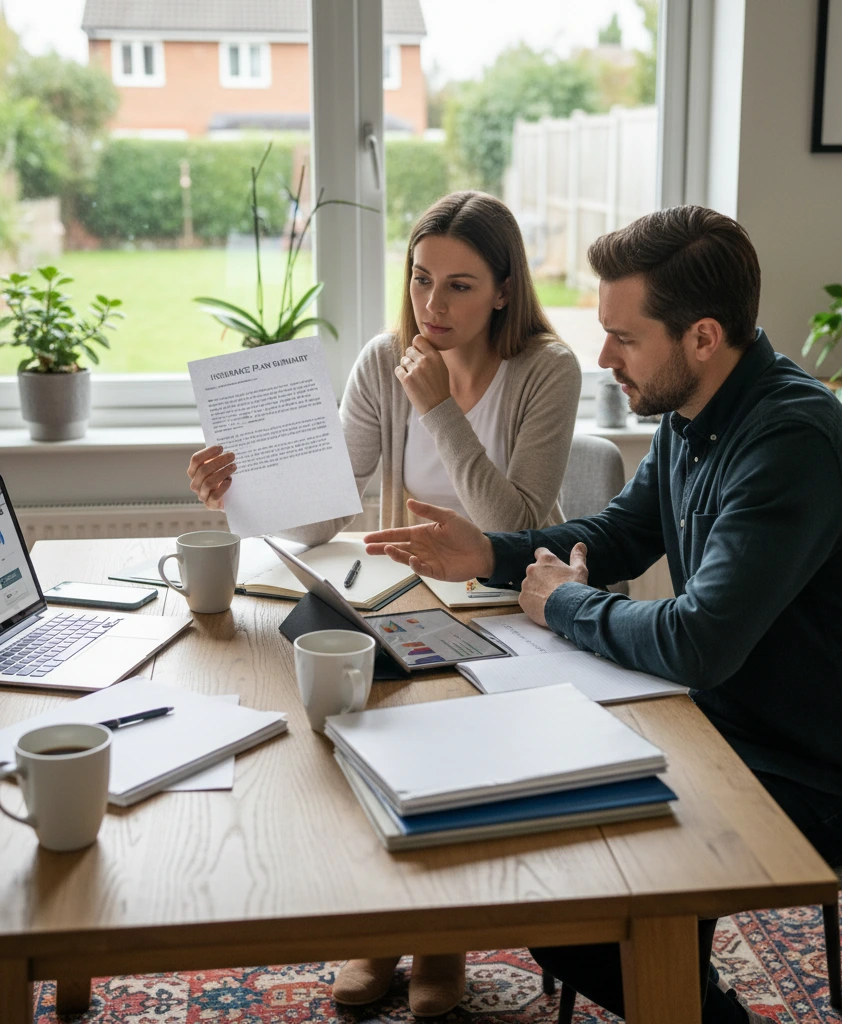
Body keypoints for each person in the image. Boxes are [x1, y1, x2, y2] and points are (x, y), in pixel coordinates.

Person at [362, 205, 842, 1024]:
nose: (603, 357)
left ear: (701, 337)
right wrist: (486, 554)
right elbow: (619, 536)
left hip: (824, 773)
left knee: (564, 896)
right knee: (541, 853)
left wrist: (566, 603)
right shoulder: (696, 413)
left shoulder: (790, 442)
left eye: (625, 338)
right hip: (722, 727)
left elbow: (696, 643)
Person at [187, 190, 582, 1016]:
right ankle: (380, 927)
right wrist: (242, 491)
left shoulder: (547, 369)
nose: (431, 306)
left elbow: (517, 526)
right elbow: (328, 505)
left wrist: (439, 408)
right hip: (401, 596)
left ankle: (441, 945)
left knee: (442, 734)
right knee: (344, 718)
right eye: (420, 279)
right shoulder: (383, 359)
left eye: (460, 286)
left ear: (505, 290)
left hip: (502, 605)